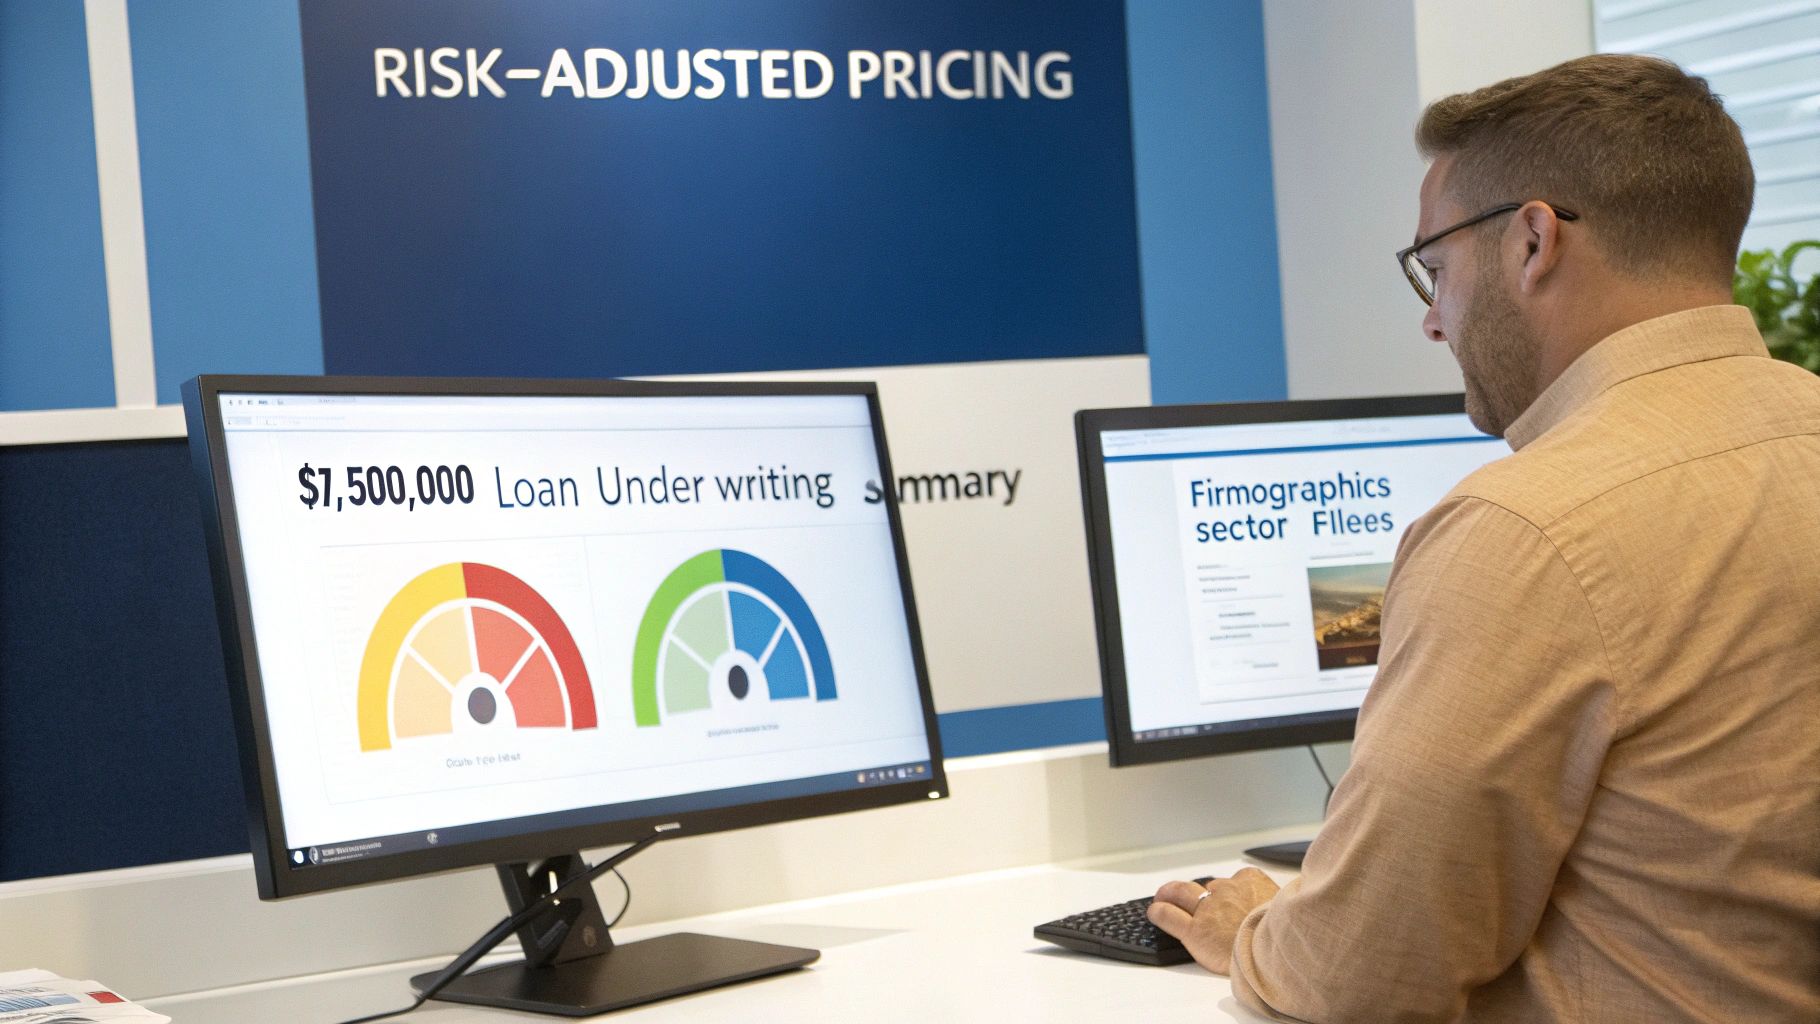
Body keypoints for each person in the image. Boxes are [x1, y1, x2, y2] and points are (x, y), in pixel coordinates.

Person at [1148, 54, 1820, 1022]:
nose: (1431, 319)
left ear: (1531, 241)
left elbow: (1355, 979)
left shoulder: (1529, 526)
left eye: (1435, 267)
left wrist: (1252, 928)